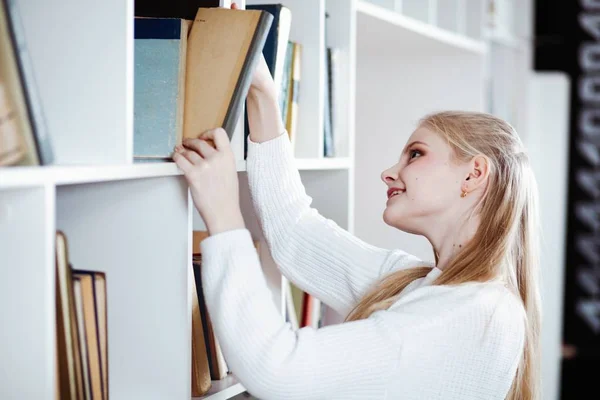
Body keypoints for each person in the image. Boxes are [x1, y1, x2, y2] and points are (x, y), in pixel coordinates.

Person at [172, 6, 540, 400]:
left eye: (415, 154)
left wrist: (224, 212)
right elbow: (294, 232)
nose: (389, 172)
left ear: (473, 174)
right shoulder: (422, 285)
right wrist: (262, 94)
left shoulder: (470, 315)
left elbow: (277, 370)